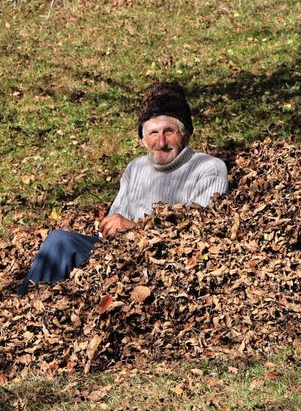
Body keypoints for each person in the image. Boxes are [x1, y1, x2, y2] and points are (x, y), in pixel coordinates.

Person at [17, 82, 228, 295]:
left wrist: (134, 229)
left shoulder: (207, 168)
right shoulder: (135, 168)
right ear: (143, 140)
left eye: (169, 131)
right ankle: (23, 310)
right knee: (59, 242)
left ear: (186, 134)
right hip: (118, 256)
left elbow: (199, 236)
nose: (161, 141)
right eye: (153, 133)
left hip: (163, 267)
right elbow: (110, 227)